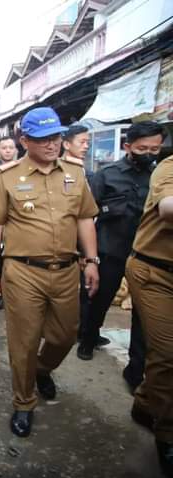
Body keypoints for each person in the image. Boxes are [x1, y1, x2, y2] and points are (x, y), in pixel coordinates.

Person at [0, 106, 100, 438]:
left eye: (57, 138)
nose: (52, 145)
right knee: (24, 342)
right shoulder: (7, 177)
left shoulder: (75, 174)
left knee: (65, 336)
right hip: (23, 273)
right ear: (24, 140)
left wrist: (91, 260)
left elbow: (84, 218)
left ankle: (42, 369)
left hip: (65, 271)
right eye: (43, 139)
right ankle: (23, 401)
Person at [77, 122, 164, 391]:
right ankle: (88, 339)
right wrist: (87, 256)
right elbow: (86, 216)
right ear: (128, 147)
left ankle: (135, 369)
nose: (149, 153)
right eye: (142, 148)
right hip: (110, 250)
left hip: (146, 255)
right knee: (99, 298)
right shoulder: (107, 175)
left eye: (155, 148)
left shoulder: (161, 176)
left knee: (144, 312)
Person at [125, 152, 173, 478]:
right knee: (169, 353)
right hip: (156, 275)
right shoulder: (169, 167)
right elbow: (168, 210)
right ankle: (167, 431)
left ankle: (145, 401)